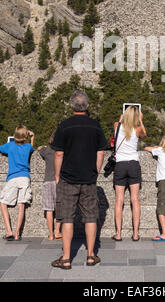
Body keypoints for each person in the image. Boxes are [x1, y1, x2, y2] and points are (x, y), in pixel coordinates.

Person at [51, 91, 107, 269]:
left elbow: (59, 152)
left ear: (71, 106)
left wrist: (58, 175)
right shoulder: (95, 125)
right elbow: (101, 151)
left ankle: (66, 258)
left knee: (67, 218)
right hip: (89, 178)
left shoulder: (64, 126)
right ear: (87, 106)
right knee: (91, 217)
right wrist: (96, 171)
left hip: (68, 178)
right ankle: (91, 255)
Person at [0, 125, 35, 241]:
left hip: (13, 178)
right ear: (25, 136)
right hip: (25, 178)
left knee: (3, 202)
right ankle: (17, 234)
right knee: (21, 205)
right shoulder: (27, 147)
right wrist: (32, 137)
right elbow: (32, 147)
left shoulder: (10, 146)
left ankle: (8, 231)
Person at [111, 106, 146, 242]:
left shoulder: (117, 126)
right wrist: (141, 121)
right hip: (133, 164)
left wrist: (121, 119)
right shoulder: (137, 129)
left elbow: (118, 124)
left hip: (120, 165)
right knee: (135, 199)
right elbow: (144, 134)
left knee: (119, 200)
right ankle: (135, 233)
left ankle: (118, 233)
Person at [37, 131, 62, 241]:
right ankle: (58, 232)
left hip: (48, 181)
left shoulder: (46, 151)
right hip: (59, 181)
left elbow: (38, 148)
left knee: (49, 209)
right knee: (60, 208)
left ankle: (51, 234)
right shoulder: (63, 152)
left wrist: (43, 146)